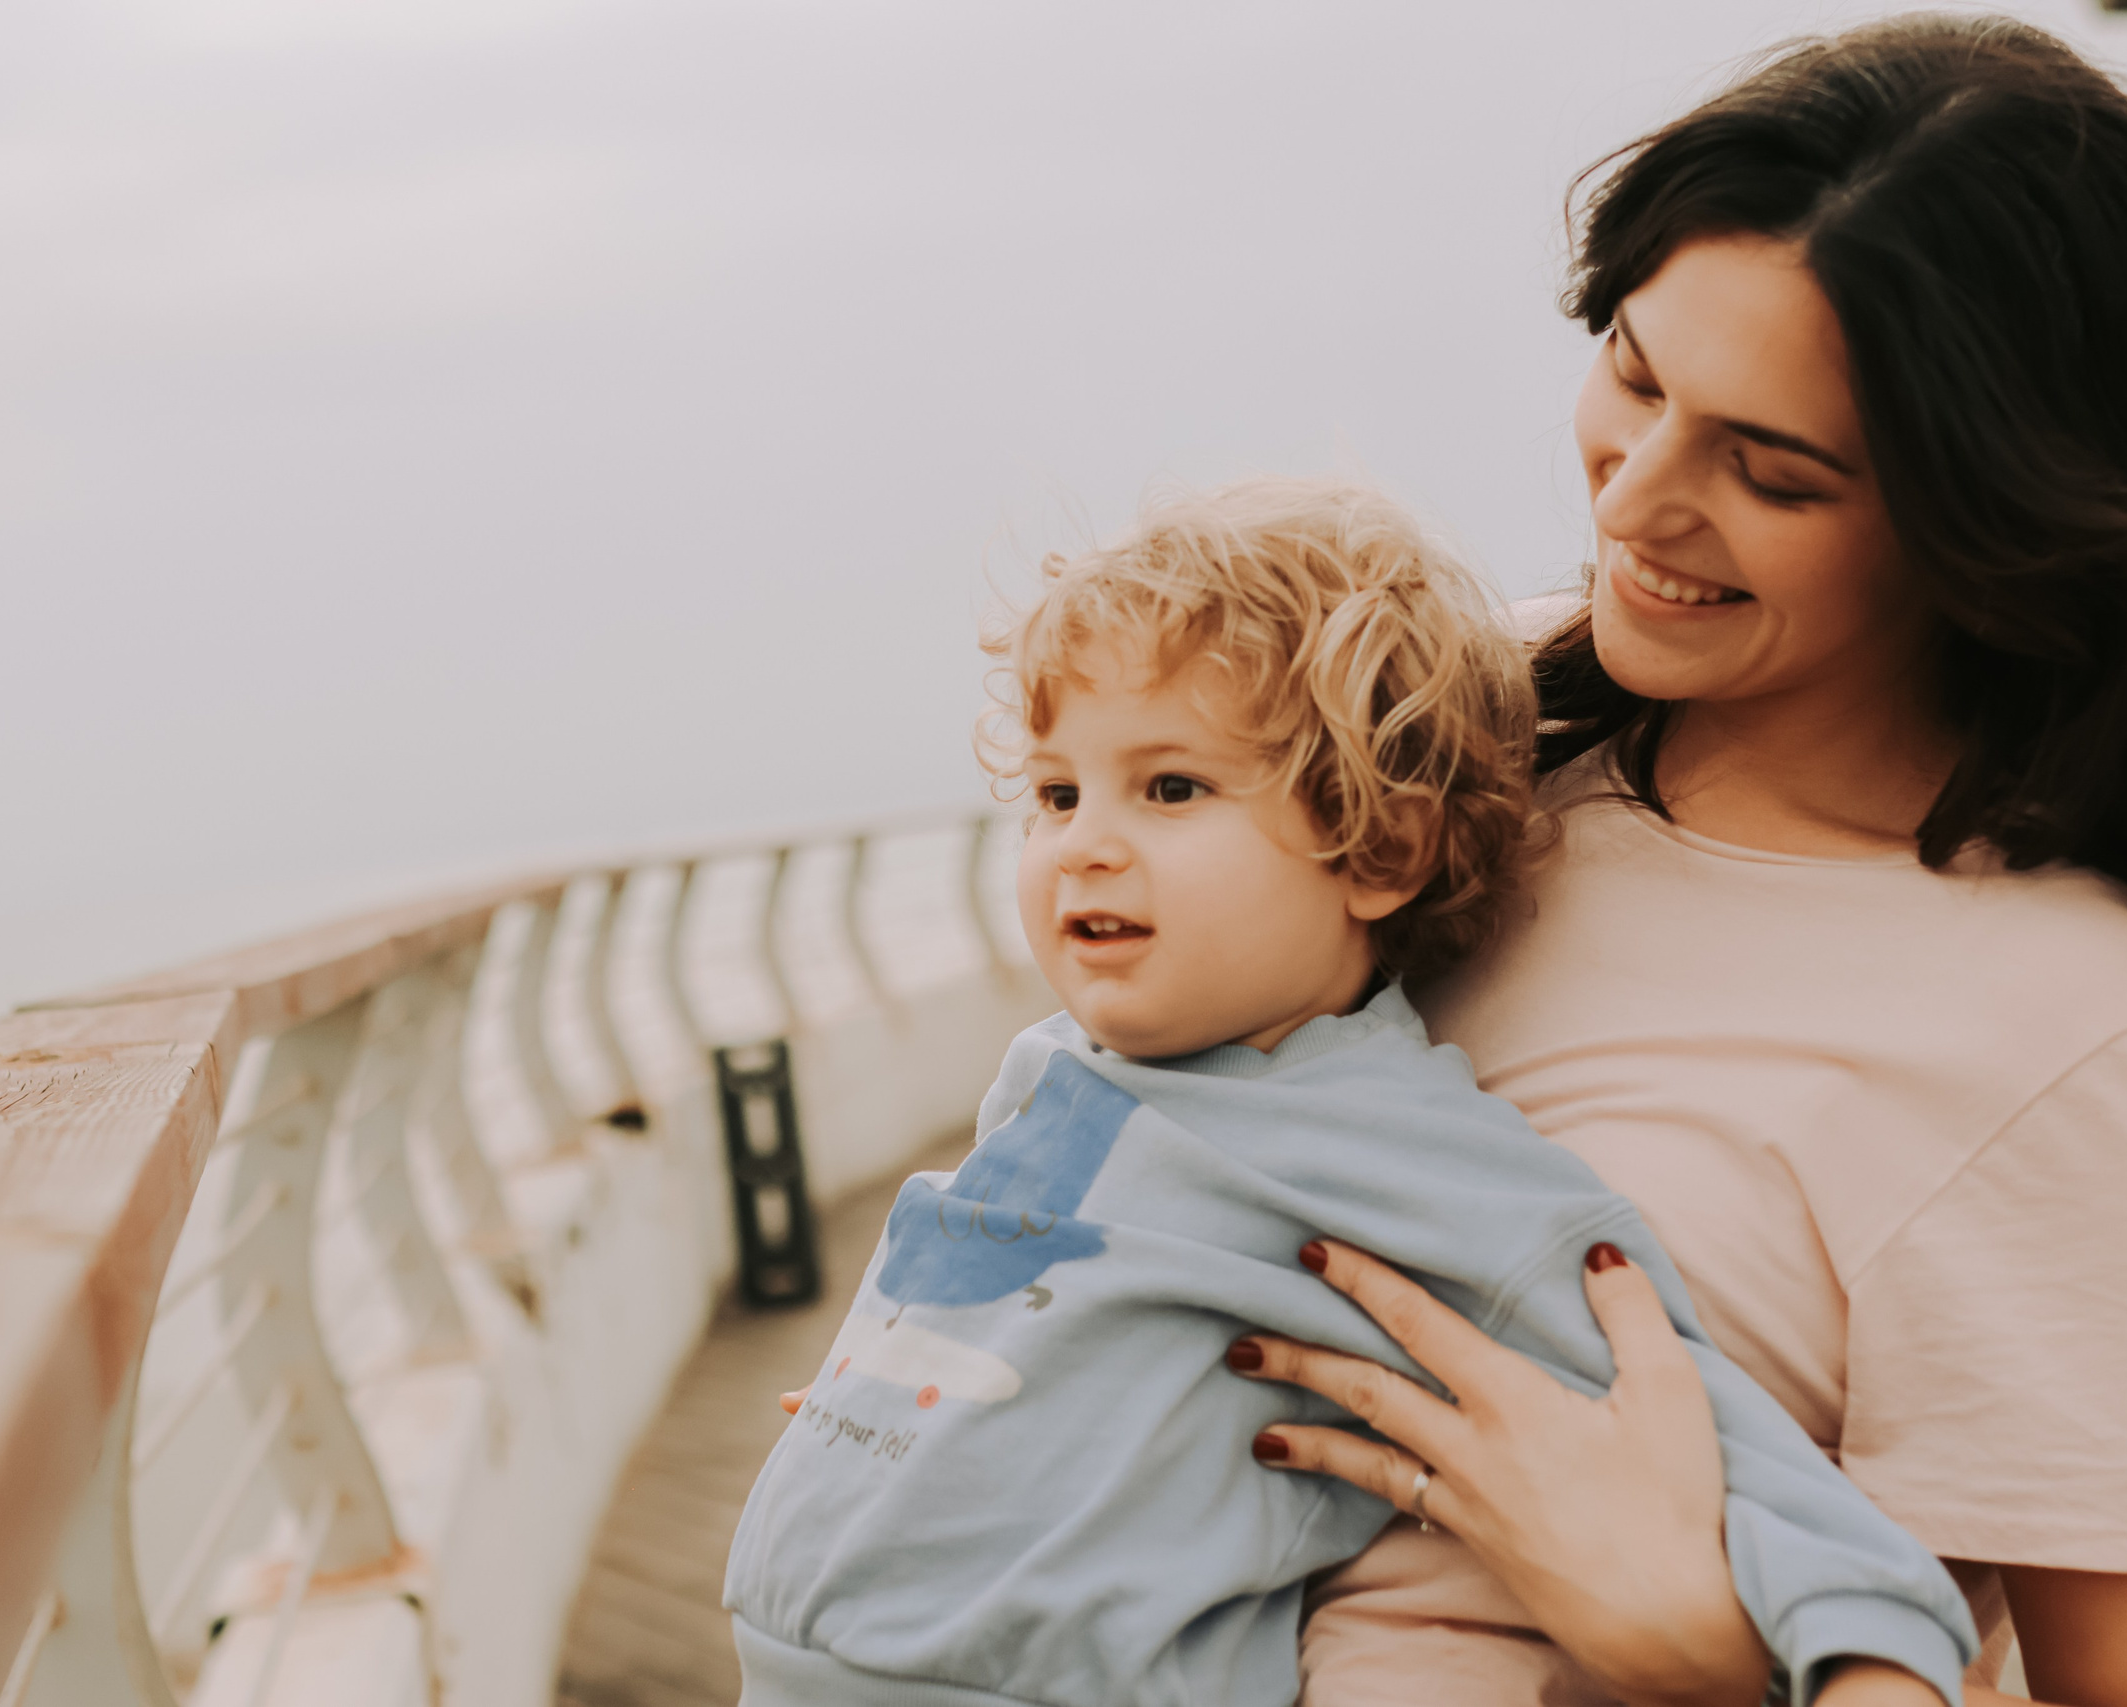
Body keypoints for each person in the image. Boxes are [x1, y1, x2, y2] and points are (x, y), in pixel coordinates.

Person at [1224, 17, 2127, 1706]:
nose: (1637, 500)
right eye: (1641, 378)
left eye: (1776, 470)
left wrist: (1712, 1657)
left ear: (1997, 526)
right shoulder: (1458, 739)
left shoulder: (2080, 1045)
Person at [724, 478, 1976, 1707]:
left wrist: (1869, 1656)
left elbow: (1720, 1439)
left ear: (1379, 848)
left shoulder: (1401, 1150)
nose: (1083, 842)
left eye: (1170, 788)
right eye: (1058, 793)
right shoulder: (1054, 1064)